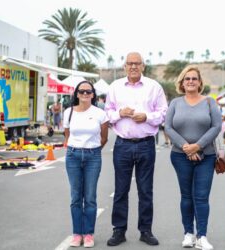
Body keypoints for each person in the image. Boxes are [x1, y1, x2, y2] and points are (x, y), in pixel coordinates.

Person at [105, 52, 168, 247]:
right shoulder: (115, 87)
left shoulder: (154, 87)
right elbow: (107, 112)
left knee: (145, 190)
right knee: (121, 190)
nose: (133, 66)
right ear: (124, 66)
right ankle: (119, 230)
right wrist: (119, 113)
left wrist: (146, 117)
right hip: (122, 144)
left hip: (146, 144)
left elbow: (163, 113)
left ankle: (145, 230)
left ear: (143, 66)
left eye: (137, 63)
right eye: (129, 63)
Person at [164, 65, 222, 250]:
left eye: (194, 79)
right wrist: (186, 147)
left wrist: (198, 146)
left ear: (199, 83)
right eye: (187, 79)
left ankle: (202, 236)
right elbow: (168, 128)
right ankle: (188, 234)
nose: (190, 81)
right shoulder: (175, 103)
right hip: (180, 156)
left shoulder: (209, 102)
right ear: (182, 83)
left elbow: (216, 126)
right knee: (186, 196)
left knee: (201, 197)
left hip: (206, 156)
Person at [63, 81, 109, 248]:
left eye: (88, 91)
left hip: (93, 157)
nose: (84, 94)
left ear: (93, 94)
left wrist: (92, 150)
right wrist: (77, 148)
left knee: (90, 197)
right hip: (73, 156)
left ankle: (88, 234)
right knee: (76, 197)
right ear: (76, 94)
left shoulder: (100, 114)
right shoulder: (68, 112)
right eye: (81, 91)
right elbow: (67, 136)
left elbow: (104, 138)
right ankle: (77, 234)